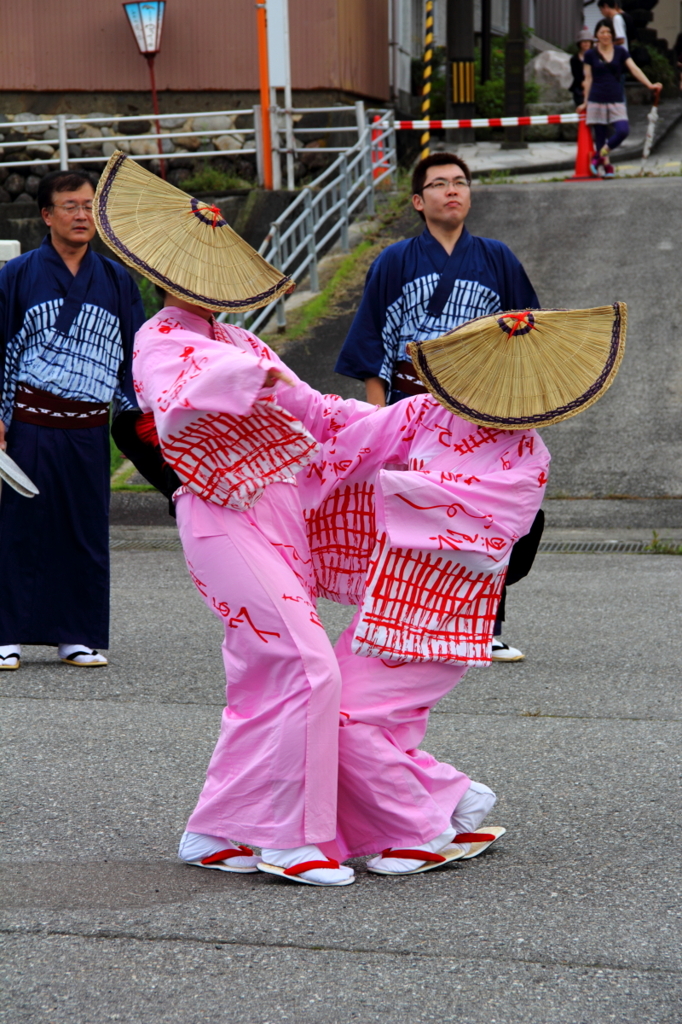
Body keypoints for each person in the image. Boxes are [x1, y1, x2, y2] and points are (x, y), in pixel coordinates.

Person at [95, 150, 549, 885]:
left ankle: (215, 831)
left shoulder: (240, 340)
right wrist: (251, 378)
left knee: (261, 680)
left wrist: (428, 410)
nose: (199, 287)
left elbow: (327, 419)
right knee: (308, 669)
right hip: (225, 516)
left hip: (279, 524)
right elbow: (180, 392)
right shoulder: (165, 339)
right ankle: (283, 836)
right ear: (165, 276)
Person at [334, 152, 541, 662]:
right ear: (417, 201)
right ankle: (404, 626)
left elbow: (527, 336)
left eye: (461, 182)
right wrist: (381, 422)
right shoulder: (394, 261)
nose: (453, 190)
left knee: (491, 516)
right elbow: (372, 349)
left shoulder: (498, 258)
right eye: (440, 183)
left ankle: (484, 626)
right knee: (415, 518)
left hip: (482, 411)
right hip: (415, 410)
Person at [0, 170, 145, 670]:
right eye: (70, 206)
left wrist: (134, 426)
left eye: (88, 206)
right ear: (46, 214)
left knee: (84, 528)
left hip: (88, 427)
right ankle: (7, 633)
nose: (82, 215)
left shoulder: (116, 279)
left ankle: (77, 635)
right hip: (30, 421)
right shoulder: (16, 275)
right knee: (20, 525)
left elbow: (134, 358)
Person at [579, 18, 662, 178]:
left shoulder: (620, 52)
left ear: (613, 34)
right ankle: (606, 167)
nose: (605, 35)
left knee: (623, 131)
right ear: (596, 35)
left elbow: (634, 69)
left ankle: (597, 157)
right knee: (601, 136)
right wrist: (585, 102)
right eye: (602, 32)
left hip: (616, 97)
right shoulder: (590, 54)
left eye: (608, 32)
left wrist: (649, 84)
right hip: (596, 98)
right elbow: (588, 79)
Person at [570, 29, 594, 108]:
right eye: (584, 41)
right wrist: (584, 85)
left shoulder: (596, 57)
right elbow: (576, 75)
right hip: (579, 88)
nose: (586, 44)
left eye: (588, 41)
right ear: (579, 43)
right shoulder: (574, 59)